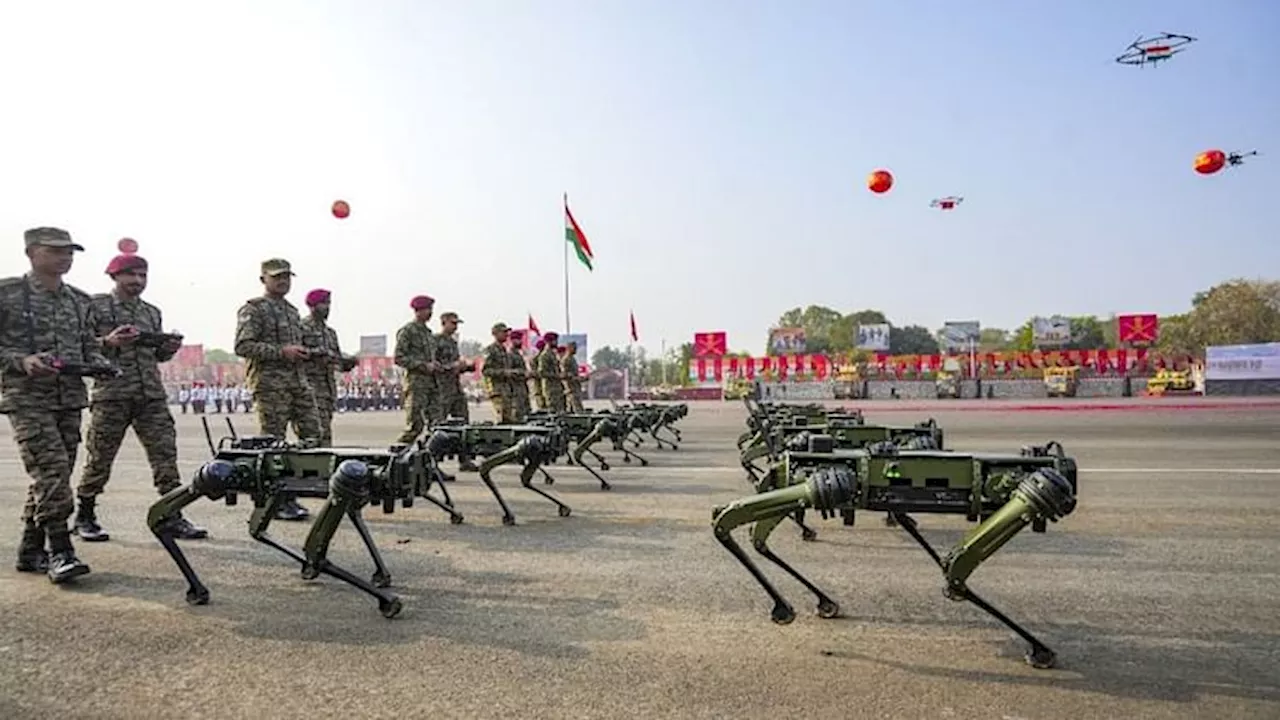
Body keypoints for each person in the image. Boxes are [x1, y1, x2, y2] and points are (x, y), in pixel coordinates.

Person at [74, 251, 207, 542]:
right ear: (114, 276)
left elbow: (156, 354)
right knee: (100, 458)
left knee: (165, 456)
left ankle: (171, 514)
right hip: (112, 394)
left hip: (150, 395)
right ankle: (85, 515)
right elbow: (80, 346)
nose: (137, 281)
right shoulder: (95, 306)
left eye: (142, 275)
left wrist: (167, 348)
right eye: (130, 274)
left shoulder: (151, 311)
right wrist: (108, 342)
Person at [1, 227, 101, 583]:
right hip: (26, 399)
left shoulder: (79, 300)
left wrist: (102, 364)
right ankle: (61, 551)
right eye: (56, 251)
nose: (65, 257)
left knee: (52, 476)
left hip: (69, 399)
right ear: (31, 252)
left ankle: (30, 550)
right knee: (53, 473)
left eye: (70, 251)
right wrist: (21, 360)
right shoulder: (8, 294)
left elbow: (89, 346)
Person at [233, 258, 321, 521]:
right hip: (270, 385)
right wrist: (281, 352)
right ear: (263, 280)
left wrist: (308, 353)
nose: (283, 281)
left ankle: (296, 490)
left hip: (297, 382)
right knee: (274, 443)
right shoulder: (254, 309)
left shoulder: (293, 312)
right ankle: (277, 500)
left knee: (313, 436)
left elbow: (298, 346)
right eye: (277, 277)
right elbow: (243, 346)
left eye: (287, 277)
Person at [299, 288, 357, 446]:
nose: (327, 307)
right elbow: (297, 353)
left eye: (328, 303)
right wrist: (317, 354)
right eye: (323, 304)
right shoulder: (301, 328)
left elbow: (336, 360)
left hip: (327, 391)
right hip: (309, 389)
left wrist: (346, 363)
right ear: (312, 306)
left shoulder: (330, 333)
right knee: (314, 435)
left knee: (325, 435)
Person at [434, 311, 478, 470]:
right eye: (453, 323)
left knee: (463, 423)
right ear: (443, 322)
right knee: (439, 425)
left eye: (457, 323)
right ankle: (434, 463)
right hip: (441, 389)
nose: (455, 326)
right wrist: (450, 367)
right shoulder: (435, 341)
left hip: (455, 387)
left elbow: (455, 365)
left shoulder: (452, 342)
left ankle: (464, 459)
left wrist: (465, 367)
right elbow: (433, 364)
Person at [392, 295, 439, 444]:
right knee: (415, 425)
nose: (430, 313)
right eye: (427, 309)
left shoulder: (428, 334)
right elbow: (399, 357)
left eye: (431, 309)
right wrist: (423, 365)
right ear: (417, 311)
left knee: (436, 425)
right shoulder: (408, 331)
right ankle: (398, 456)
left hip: (432, 384)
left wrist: (435, 365)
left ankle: (428, 460)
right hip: (416, 384)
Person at [482, 322, 516, 422]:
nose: (507, 334)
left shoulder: (504, 350)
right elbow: (485, 370)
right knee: (501, 419)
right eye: (504, 332)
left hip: (506, 390)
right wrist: (503, 373)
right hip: (497, 390)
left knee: (509, 419)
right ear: (495, 334)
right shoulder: (490, 350)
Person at [538, 331, 566, 413]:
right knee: (553, 411)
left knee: (560, 410)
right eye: (554, 340)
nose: (556, 342)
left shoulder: (552, 354)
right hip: (550, 388)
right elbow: (542, 372)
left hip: (557, 387)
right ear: (548, 342)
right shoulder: (545, 355)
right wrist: (556, 376)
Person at [507, 329, 530, 421]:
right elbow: (509, 371)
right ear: (512, 340)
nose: (521, 342)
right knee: (517, 416)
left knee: (525, 414)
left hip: (522, 388)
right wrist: (520, 373)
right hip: (515, 390)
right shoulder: (510, 354)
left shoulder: (518, 354)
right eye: (518, 339)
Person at [561, 340, 585, 411]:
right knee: (578, 411)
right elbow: (566, 375)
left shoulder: (572, 359)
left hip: (575, 388)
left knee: (573, 410)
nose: (576, 349)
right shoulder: (566, 360)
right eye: (574, 347)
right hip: (571, 389)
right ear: (568, 348)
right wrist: (578, 378)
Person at [529, 338, 548, 411]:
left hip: (539, 383)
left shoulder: (534, 358)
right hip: (540, 382)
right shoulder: (539, 358)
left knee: (541, 401)